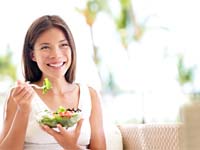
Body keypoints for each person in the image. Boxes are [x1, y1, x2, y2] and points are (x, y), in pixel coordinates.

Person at [0, 15, 106, 150]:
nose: (56, 55)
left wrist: (71, 146)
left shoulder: (90, 95)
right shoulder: (19, 96)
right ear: (32, 55)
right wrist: (23, 111)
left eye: (63, 45)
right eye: (45, 47)